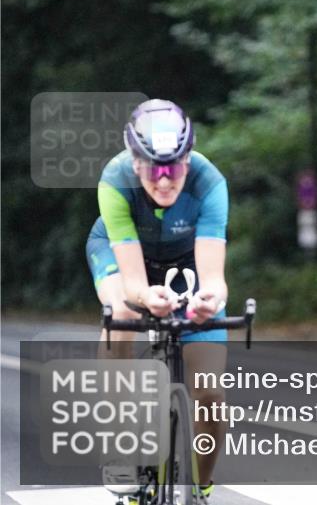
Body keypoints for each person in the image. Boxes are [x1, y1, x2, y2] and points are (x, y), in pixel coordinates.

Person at [88, 99, 229, 502]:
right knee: (121, 311)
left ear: (188, 158)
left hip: (187, 259)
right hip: (124, 255)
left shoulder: (209, 181)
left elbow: (215, 279)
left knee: (212, 392)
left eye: (175, 167)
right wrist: (148, 297)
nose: (165, 180)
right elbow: (134, 284)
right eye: (154, 168)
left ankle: (201, 485)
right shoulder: (115, 180)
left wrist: (207, 300)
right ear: (134, 162)